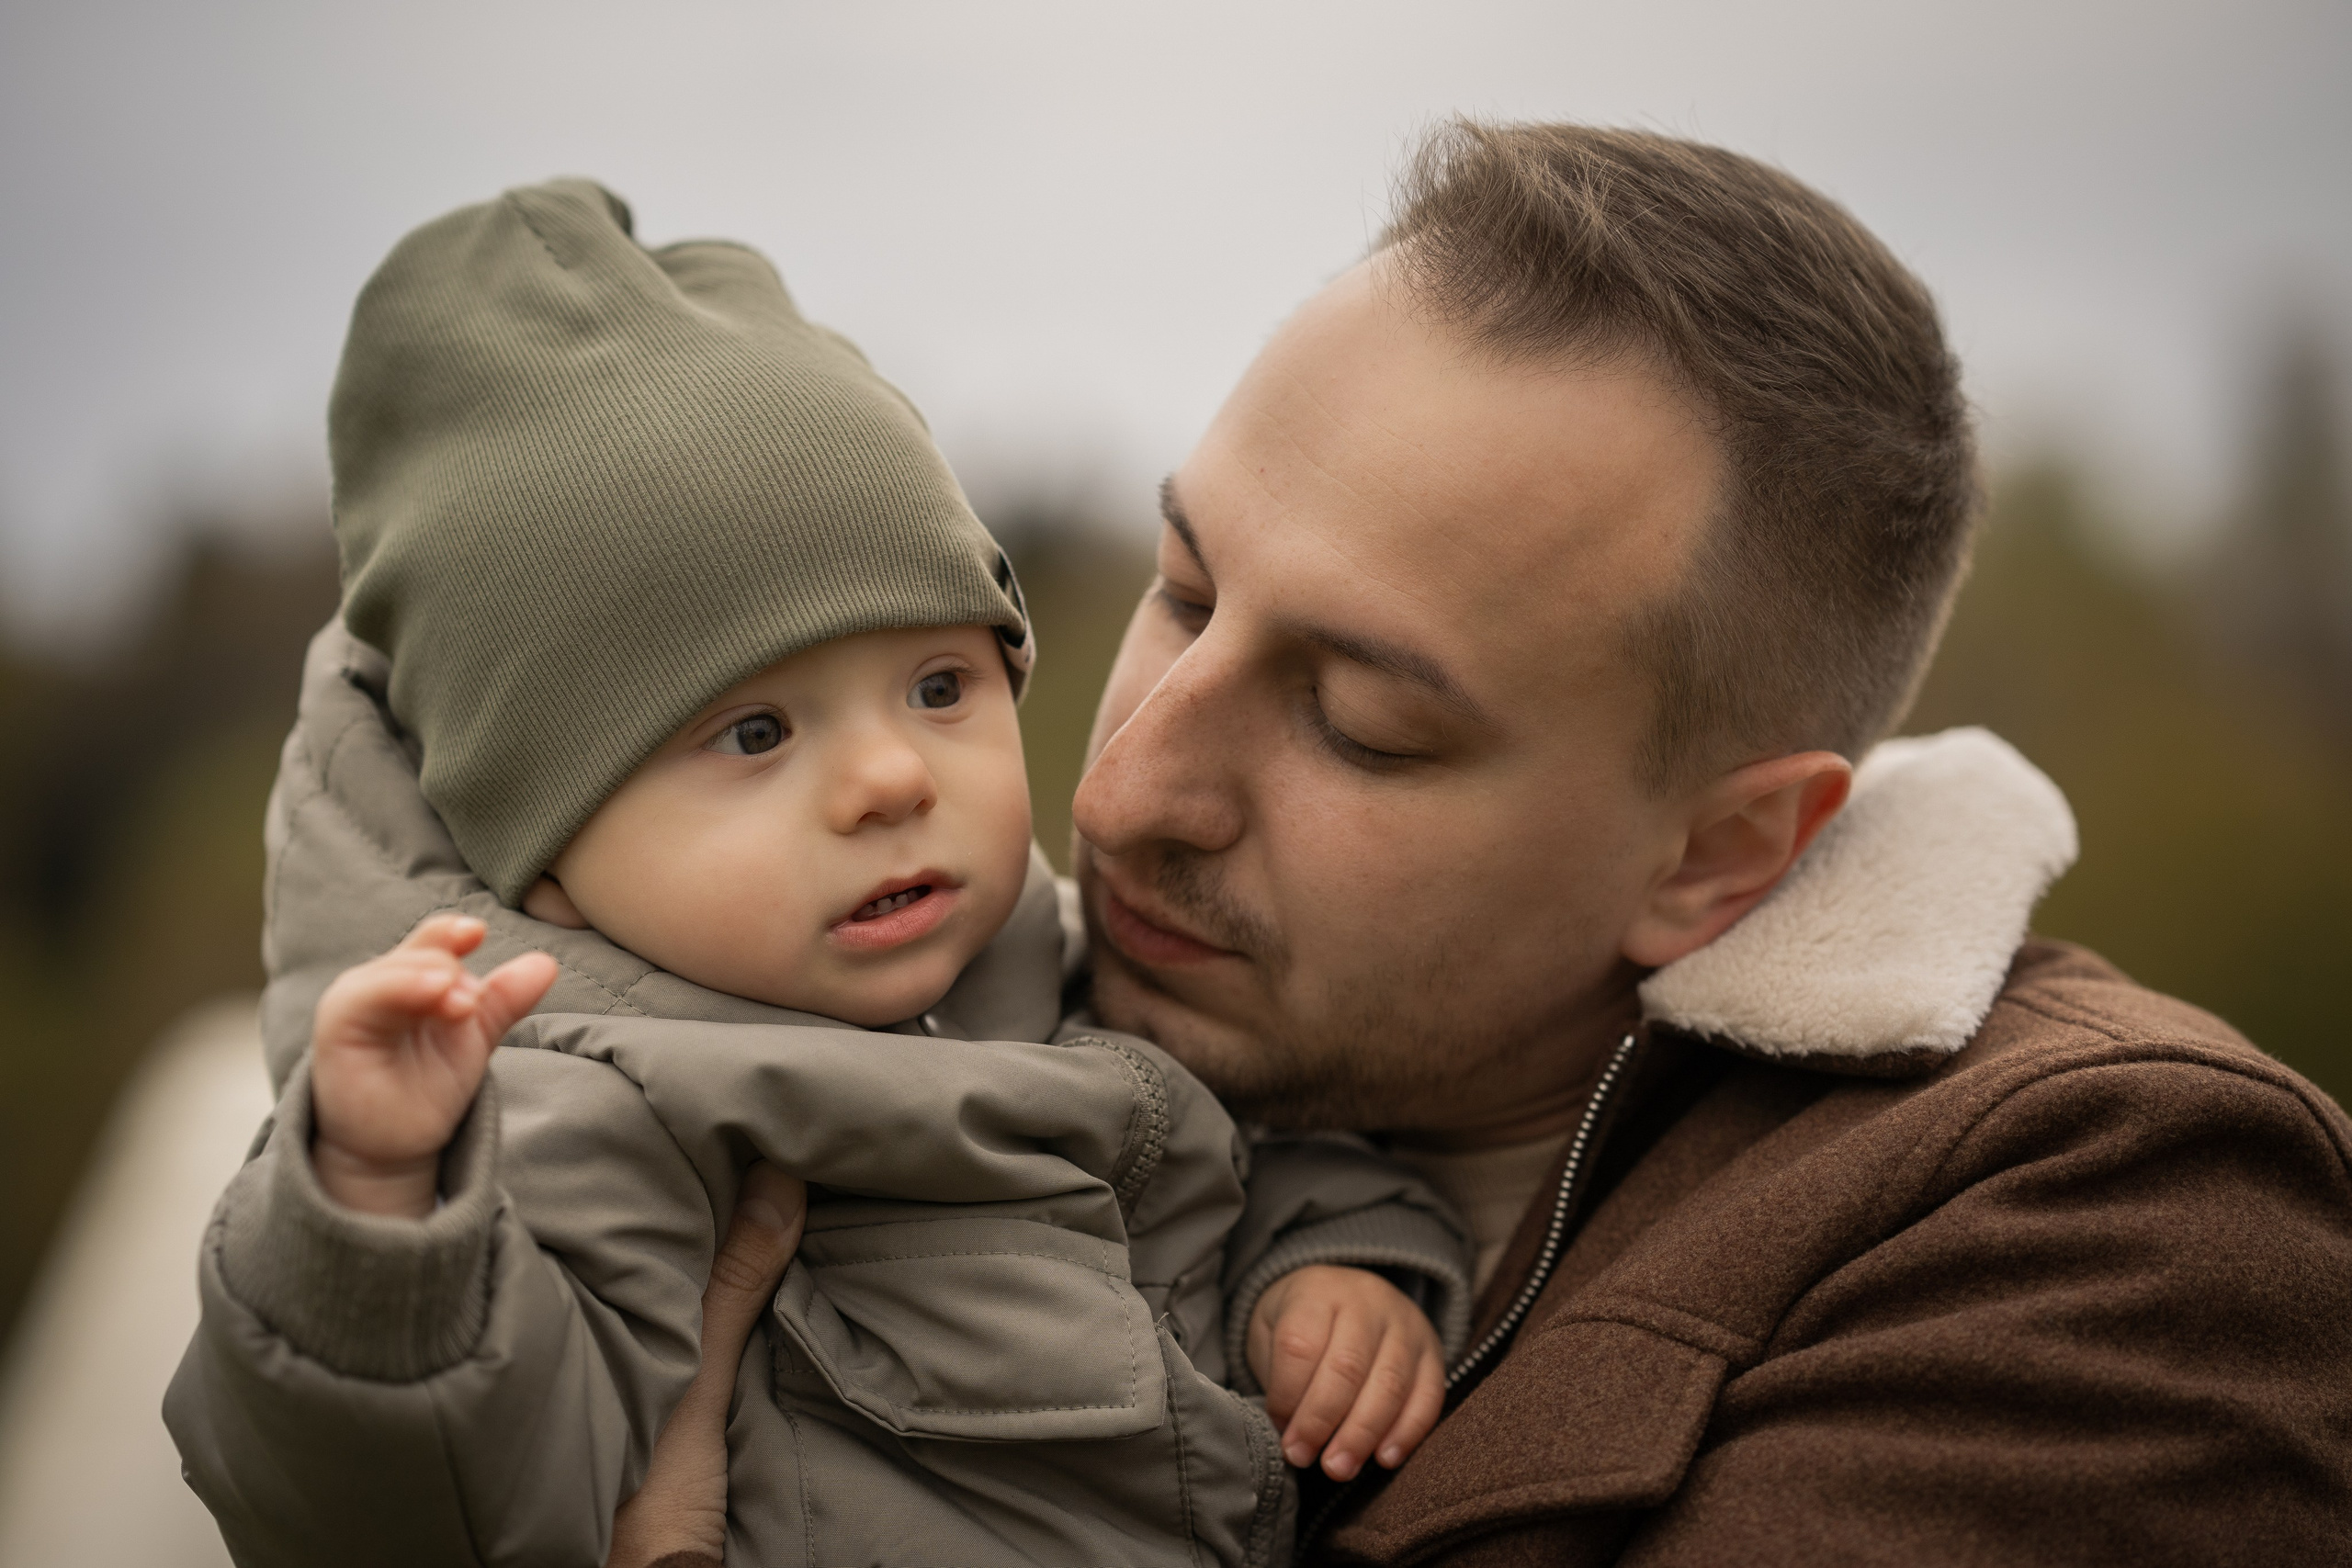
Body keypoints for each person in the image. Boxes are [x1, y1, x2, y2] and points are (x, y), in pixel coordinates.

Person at [1057, 120, 2352, 1562]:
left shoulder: (2109, 1219)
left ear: (1717, 856)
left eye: (1361, 722)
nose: (1123, 795)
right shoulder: (903, 998)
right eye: (1183, 592)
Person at [164, 178, 1477, 1568]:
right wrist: (372, 1220)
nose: (891, 780)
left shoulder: (1078, 982)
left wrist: (1328, 1273)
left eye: (935, 684)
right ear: (540, 855)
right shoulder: (584, 1126)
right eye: (755, 731)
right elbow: (414, 1497)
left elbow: (1254, 1163)